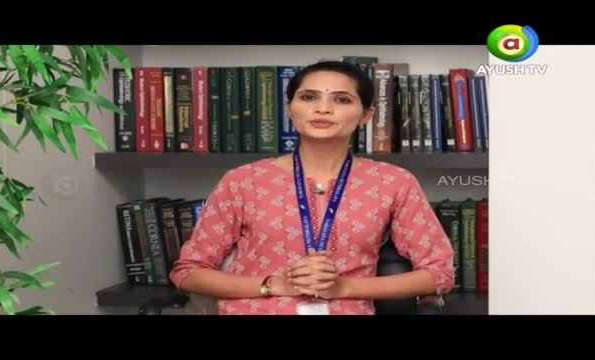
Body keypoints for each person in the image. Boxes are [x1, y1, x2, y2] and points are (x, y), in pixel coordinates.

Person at [170, 60, 455, 315]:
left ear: (366, 115)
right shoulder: (243, 181)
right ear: (289, 108)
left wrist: (345, 288)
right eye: (309, 97)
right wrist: (274, 286)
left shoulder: (394, 182)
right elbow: (188, 272)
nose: (323, 108)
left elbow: (439, 273)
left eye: (342, 99)